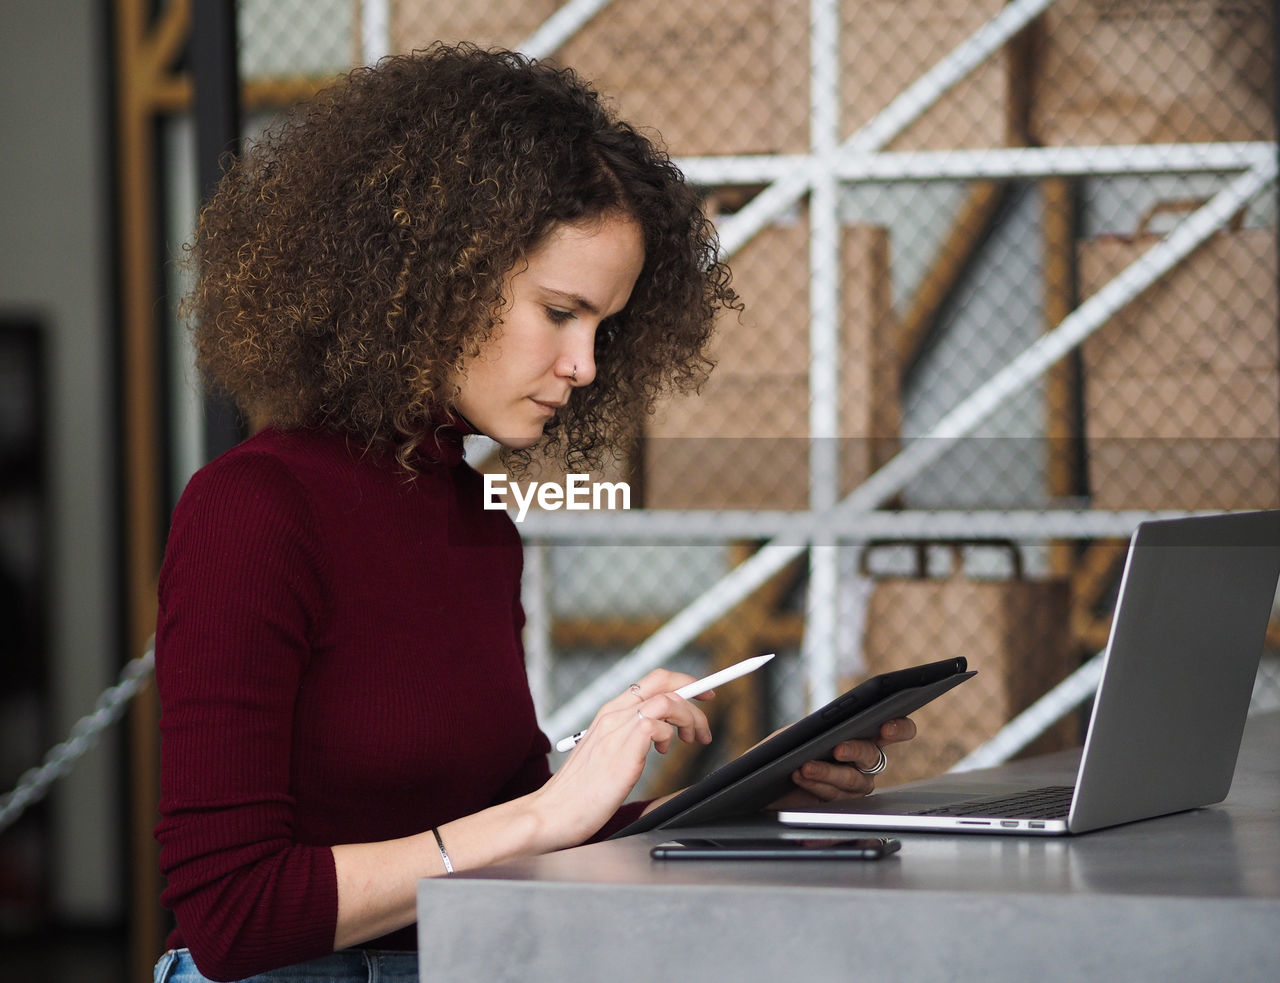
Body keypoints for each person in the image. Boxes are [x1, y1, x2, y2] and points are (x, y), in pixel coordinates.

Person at [153, 43, 917, 983]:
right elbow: (234, 915)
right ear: (434, 275)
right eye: (560, 311)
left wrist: (758, 792)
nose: (588, 365)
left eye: (605, 326)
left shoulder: (474, 521)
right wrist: (546, 813)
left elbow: (512, 835)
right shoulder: (254, 511)